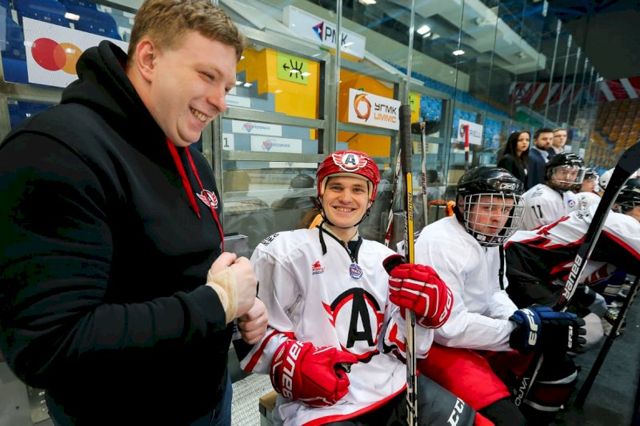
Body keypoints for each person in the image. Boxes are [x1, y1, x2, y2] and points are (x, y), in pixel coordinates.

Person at [0, 1, 268, 424]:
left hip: (211, 398)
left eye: (228, 87)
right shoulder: (55, 151)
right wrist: (217, 303)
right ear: (148, 59)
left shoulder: (192, 159)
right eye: (207, 75)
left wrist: (238, 309)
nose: (221, 102)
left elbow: (184, 270)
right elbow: (48, 347)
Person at [240, 150, 482, 425]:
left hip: (393, 385)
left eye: (357, 189)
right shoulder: (282, 252)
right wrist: (291, 361)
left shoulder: (385, 258)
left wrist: (424, 317)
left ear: (370, 199)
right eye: (336, 187)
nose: (346, 198)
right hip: (321, 404)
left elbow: (404, 348)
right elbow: (254, 336)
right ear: (321, 192)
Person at [414, 166, 586, 425]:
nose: (498, 218)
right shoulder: (440, 242)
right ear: (464, 204)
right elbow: (446, 328)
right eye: (488, 208)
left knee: (558, 369)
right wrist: (515, 332)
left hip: (472, 333)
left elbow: (494, 291)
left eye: (505, 209)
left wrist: (520, 319)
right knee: (507, 419)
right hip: (433, 345)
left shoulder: (489, 238)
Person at [505, 179, 640, 342]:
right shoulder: (622, 224)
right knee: (586, 331)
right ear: (629, 205)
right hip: (524, 266)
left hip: (538, 268)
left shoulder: (610, 217)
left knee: (598, 304)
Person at [520, 153, 585, 230]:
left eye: (573, 173)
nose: (568, 178)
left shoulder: (570, 196)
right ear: (550, 172)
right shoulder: (540, 198)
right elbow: (539, 234)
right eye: (563, 172)